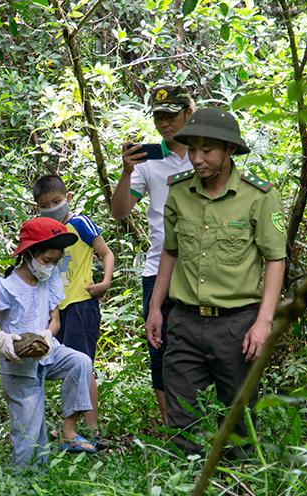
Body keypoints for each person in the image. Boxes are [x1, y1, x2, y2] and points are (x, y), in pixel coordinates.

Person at [145, 108, 287, 457]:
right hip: (185, 320)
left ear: (228, 151)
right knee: (180, 417)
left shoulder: (258, 196)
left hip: (237, 324)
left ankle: (239, 491)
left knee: (239, 417)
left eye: (207, 150)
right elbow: (171, 252)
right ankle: (185, 492)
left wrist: (263, 322)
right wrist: (155, 308)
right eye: (192, 149)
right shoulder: (179, 192)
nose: (196, 158)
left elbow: (275, 259)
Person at [0, 217, 96, 467]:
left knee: (81, 362)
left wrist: (48, 334)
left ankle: (69, 431)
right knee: (30, 433)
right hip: (19, 364)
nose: (50, 266)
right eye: (46, 260)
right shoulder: (6, 287)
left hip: (48, 353)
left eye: (55, 261)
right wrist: (2, 338)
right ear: (29, 254)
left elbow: (55, 319)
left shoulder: (50, 280)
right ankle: (25, 485)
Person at [111, 84, 195, 424]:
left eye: (171, 116)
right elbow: (120, 211)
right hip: (157, 268)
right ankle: (171, 428)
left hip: (202, 268)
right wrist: (127, 171)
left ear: (189, 112)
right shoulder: (148, 161)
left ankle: (204, 423)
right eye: (159, 117)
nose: (164, 125)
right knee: (159, 349)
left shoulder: (207, 153)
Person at [33, 174, 114, 446]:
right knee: (65, 365)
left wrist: (104, 282)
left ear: (67, 198)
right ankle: (70, 425)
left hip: (81, 303)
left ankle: (91, 428)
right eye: (46, 204)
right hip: (57, 308)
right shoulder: (46, 232)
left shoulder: (79, 223)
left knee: (84, 364)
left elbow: (106, 252)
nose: (52, 207)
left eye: (57, 201)